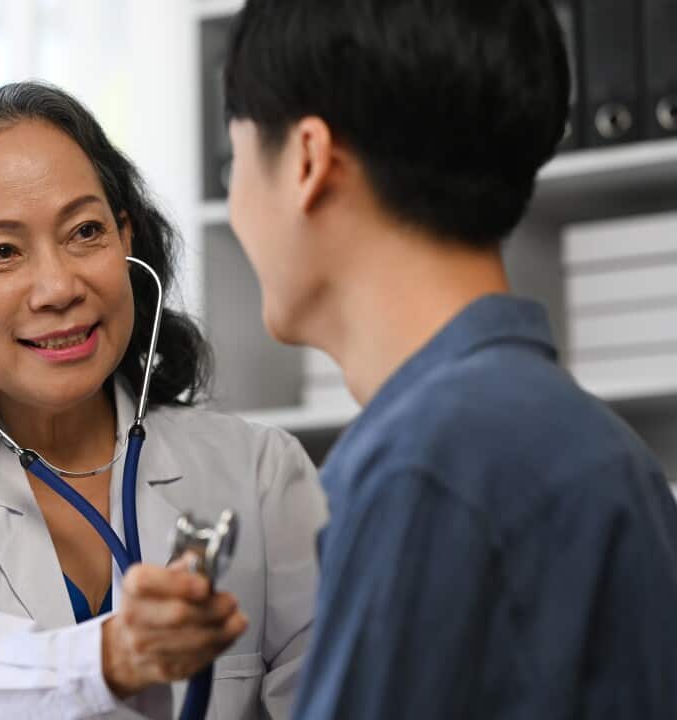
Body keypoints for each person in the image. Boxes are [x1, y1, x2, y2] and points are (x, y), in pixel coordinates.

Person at [0, 81, 326, 719]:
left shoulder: (258, 472)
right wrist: (109, 658)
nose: (58, 286)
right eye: (0, 252)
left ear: (126, 238)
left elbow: (337, 696)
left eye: (85, 231)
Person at [220, 1, 677, 718]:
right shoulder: (598, 443)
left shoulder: (423, 468)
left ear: (307, 160)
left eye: (236, 163)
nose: (235, 201)